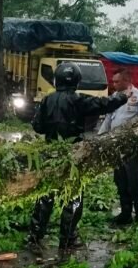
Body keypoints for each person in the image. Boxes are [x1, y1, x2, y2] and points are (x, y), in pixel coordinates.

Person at [28, 62, 129, 253]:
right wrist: (123, 97)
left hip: (50, 154)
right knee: (73, 198)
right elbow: (104, 104)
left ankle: (35, 236)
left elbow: (37, 126)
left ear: (56, 79)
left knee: (44, 196)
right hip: (74, 155)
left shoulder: (47, 100)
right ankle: (67, 240)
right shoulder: (79, 100)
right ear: (77, 80)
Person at [98, 68, 138, 225]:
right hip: (116, 147)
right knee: (121, 181)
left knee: (135, 182)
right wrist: (100, 140)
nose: (113, 84)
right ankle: (125, 213)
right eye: (113, 81)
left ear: (126, 80)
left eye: (116, 81)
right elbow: (108, 120)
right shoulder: (114, 98)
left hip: (132, 148)